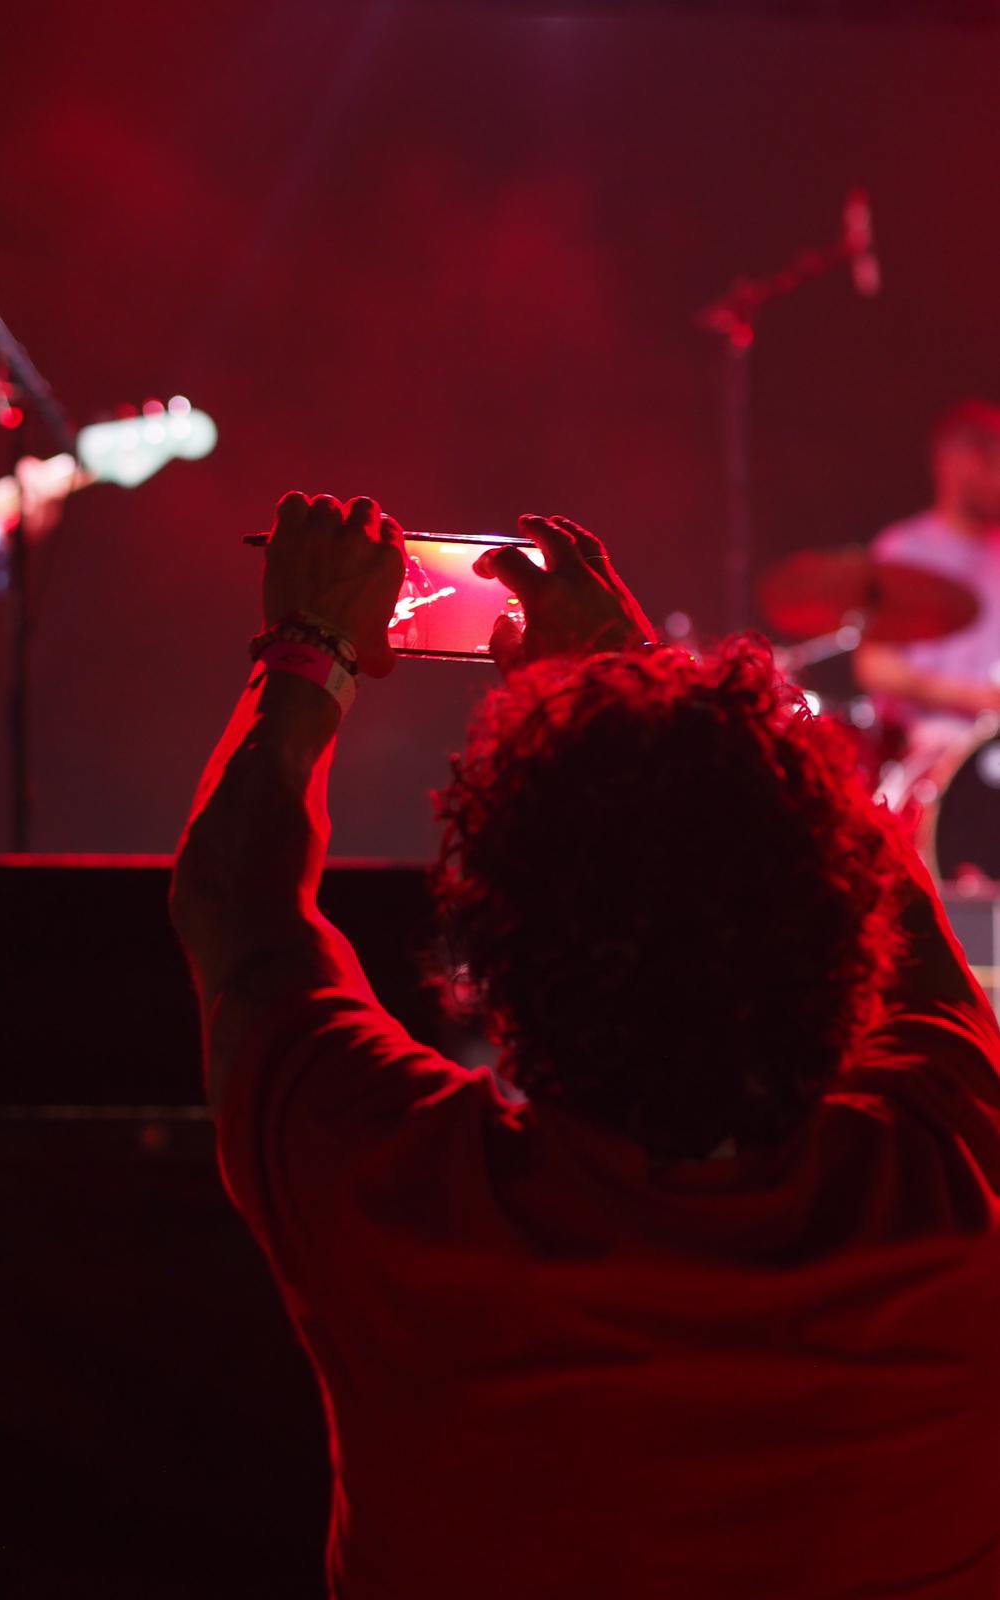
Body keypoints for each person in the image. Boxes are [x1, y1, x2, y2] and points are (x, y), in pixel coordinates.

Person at [171, 492, 1000, 1600]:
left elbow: (235, 900)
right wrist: (637, 672)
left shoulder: (396, 1193)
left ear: (491, 952)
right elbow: (890, 892)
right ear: (830, 930)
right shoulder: (950, 1172)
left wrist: (308, 647)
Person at [854, 399, 1000, 748]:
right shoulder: (905, 550)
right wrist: (969, 697)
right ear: (956, 463)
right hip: (927, 741)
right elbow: (874, 666)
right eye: (992, 463)